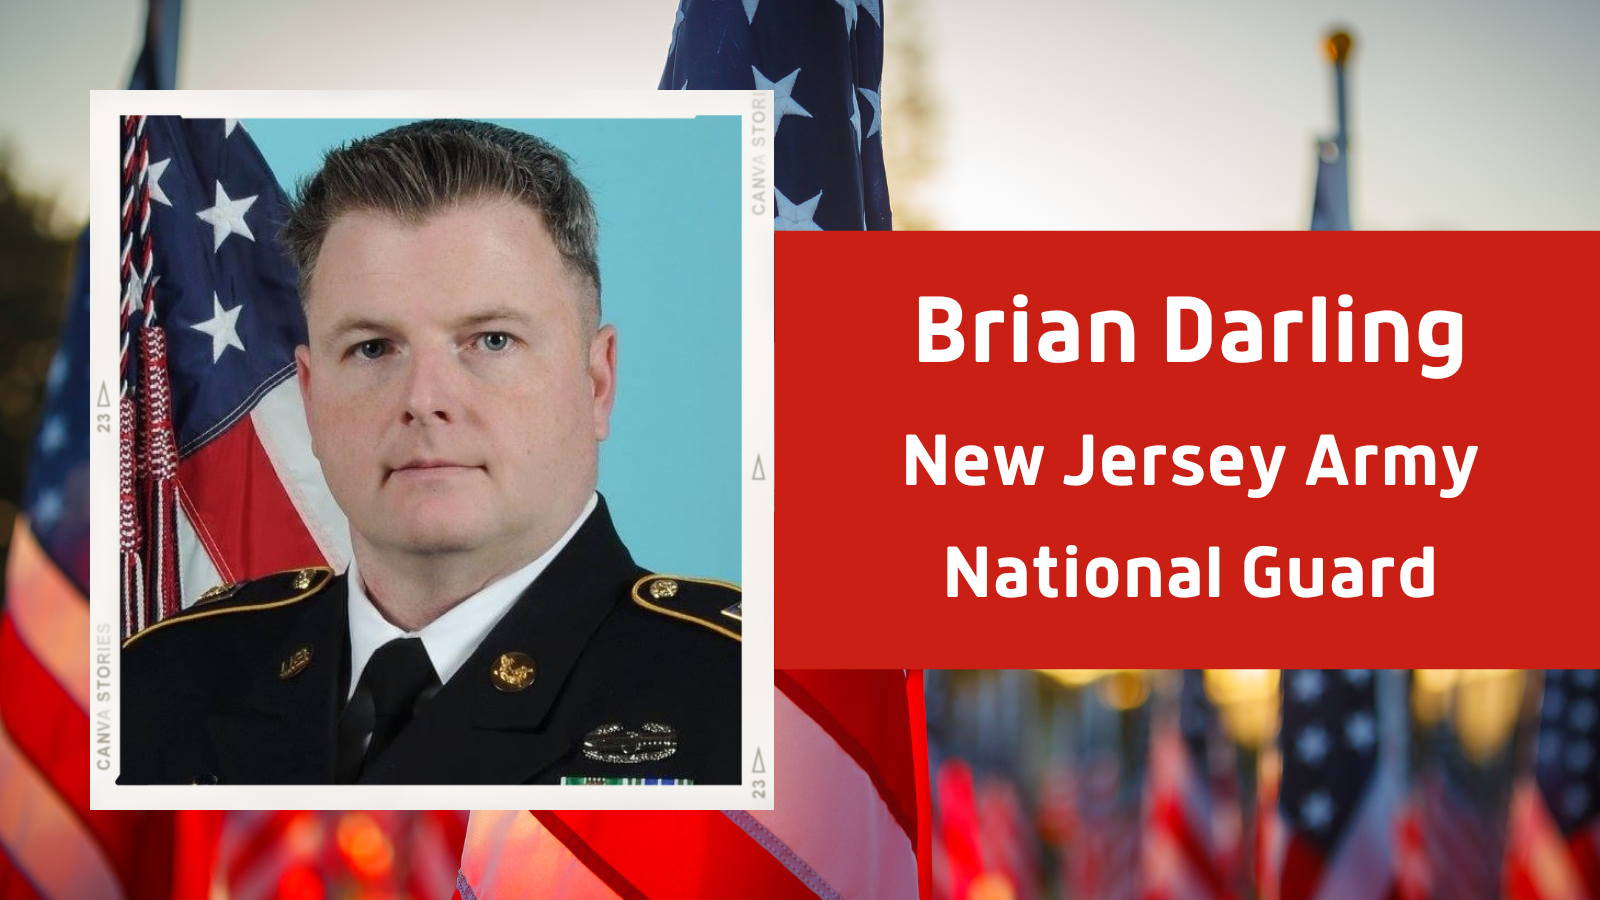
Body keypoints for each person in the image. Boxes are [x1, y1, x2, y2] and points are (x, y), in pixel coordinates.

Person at [119, 120, 741, 786]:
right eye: (373, 348)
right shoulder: (157, 686)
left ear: (597, 383)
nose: (424, 399)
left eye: (491, 340)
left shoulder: (750, 695)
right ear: (309, 395)